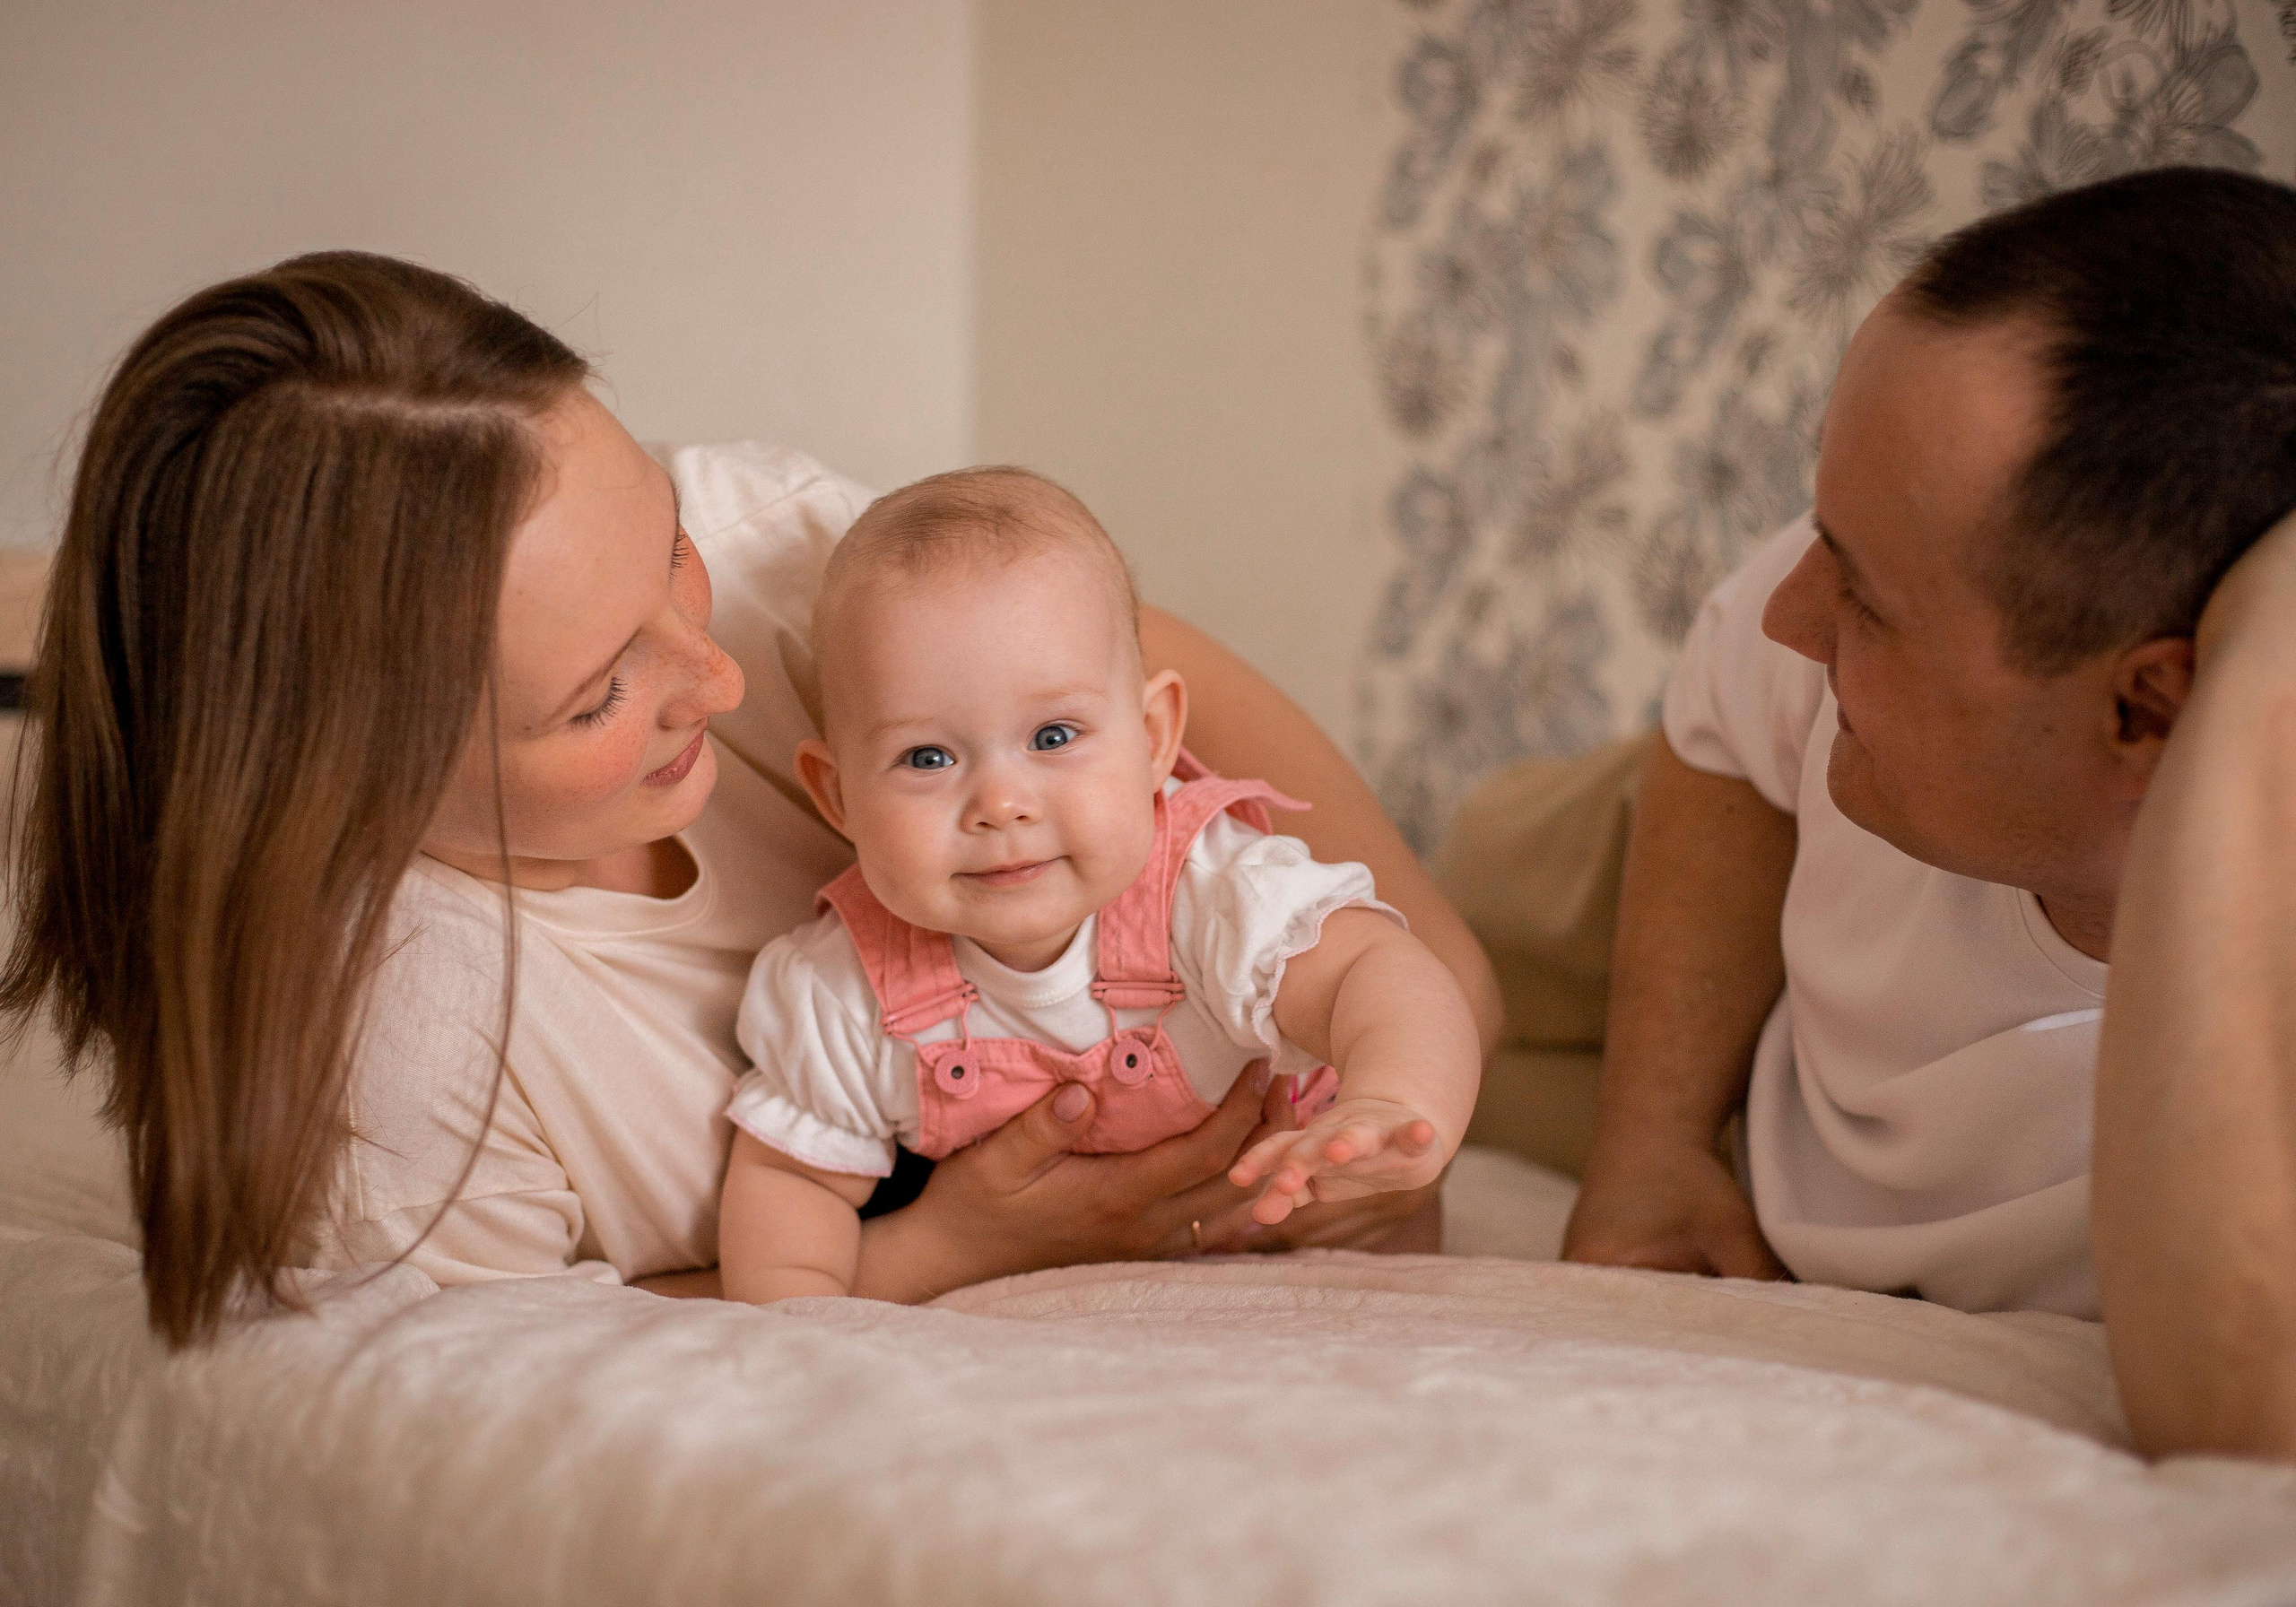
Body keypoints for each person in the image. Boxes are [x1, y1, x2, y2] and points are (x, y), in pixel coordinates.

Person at [1, 251, 1503, 1348]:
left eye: (665, 550)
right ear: (356, 784)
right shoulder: (399, 1073)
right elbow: (592, 1343)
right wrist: (960, 1245)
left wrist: (1437, 983)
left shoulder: (777, 552)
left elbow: (1111, 656)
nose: (718, 681)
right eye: (599, 697)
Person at [1560, 168, 2296, 1457]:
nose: (1796, 611)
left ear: (2153, 711)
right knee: (1393, 921)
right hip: (1674, 881)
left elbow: (2250, 1432)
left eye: (1862, 602)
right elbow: (1733, 698)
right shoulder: (1824, 638)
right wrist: (1652, 1136)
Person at [717, 468, 1481, 1301]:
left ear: (1154, 739)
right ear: (838, 796)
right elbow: (794, 1185)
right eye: (927, 758)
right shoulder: (841, 992)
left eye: (1053, 735)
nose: (1002, 805)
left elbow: (1378, 972)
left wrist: (1395, 1100)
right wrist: (799, 1326)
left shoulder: (1208, 890)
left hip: (1310, 1232)